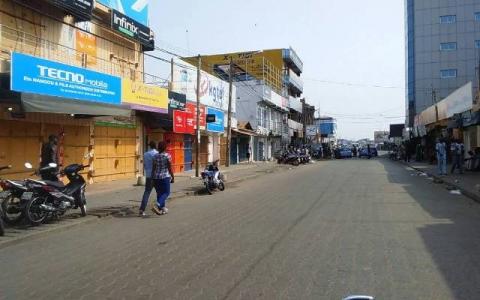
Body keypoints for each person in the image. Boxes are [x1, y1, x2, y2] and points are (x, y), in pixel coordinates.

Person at [151, 141, 174, 215]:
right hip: (165, 177)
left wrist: (152, 177)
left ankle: (161, 209)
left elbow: (153, 168)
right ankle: (157, 204)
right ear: (165, 147)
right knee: (166, 192)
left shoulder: (155, 156)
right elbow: (169, 168)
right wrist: (173, 176)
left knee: (159, 193)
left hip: (156, 177)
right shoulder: (167, 156)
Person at [139, 141, 158, 217]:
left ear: (149, 146)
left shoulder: (145, 154)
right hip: (156, 176)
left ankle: (142, 209)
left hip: (148, 175)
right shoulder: (157, 154)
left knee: (147, 192)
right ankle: (160, 207)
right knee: (160, 192)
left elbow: (144, 164)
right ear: (155, 146)